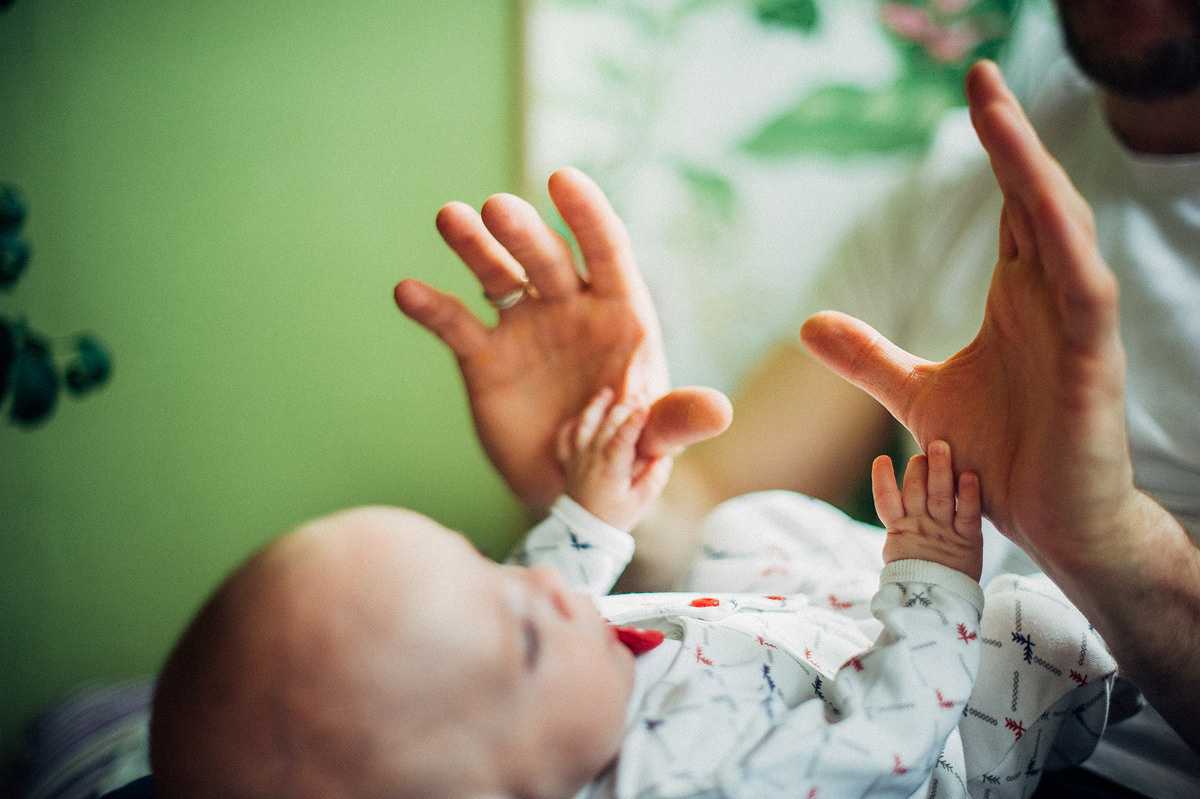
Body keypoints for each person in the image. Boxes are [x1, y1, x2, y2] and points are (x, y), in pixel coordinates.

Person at [393, 9, 1200, 792]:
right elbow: (711, 508)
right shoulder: (957, 190)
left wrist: (587, 501)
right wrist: (596, 479)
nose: (534, 588)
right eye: (517, 619)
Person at [149, 383, 1112, 798]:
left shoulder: (527, 698)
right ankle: (1091, 664)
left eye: (492, 572)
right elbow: (886, 741)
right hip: (928, 727)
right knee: (1031, 625)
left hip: (759, 650)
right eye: (525, 637)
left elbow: (533, 595)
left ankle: (855, 598)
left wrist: (593, 510)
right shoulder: (704, 786)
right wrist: (933, 580)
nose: (546, 586)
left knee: (744, 526)